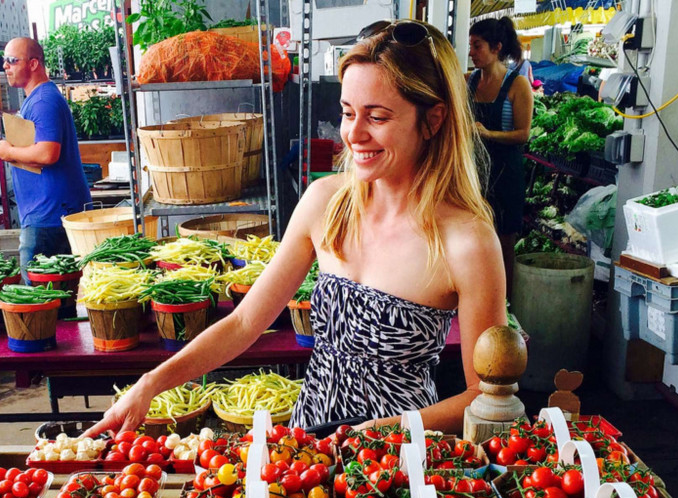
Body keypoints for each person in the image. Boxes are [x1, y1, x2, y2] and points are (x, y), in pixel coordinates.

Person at [85, 19, 506, 437]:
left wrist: (375, 432)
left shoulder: (466, 240)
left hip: (393, 460)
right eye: (347, 113)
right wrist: (149, 385)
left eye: (377, 117)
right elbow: (246, 321)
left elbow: (484, 395)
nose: (353, 134)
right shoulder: (326, 202)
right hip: (307, 445)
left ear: (433, 120)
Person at [0, 37, 90, 273]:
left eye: (12, 60)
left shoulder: (43, 101)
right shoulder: (38, 98)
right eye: (4, 61)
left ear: (34, 64)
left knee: (41, 297)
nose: (5, 66)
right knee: (56, 293)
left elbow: (48, 153)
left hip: (49, 217)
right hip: (47, 213)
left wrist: (8, 152)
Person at [468, 16, 534, 291]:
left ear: (496, 48)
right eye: (470, 46)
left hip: (506, 172)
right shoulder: (470, 81)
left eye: (477, 46)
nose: (471, 52)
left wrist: (488, 134)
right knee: (475, 237)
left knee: (504, 241)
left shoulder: (517, 85)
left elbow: (523, 134)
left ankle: (505, 304)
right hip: (475, 171)